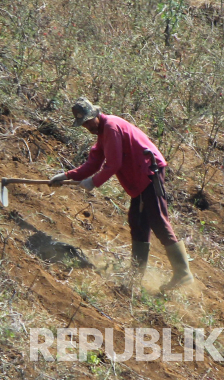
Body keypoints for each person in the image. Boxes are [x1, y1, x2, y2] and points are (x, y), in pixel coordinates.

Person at [50, 97, 193, 292]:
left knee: (158, 220)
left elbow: (113, 164)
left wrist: (93, 182)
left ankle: (182, 273)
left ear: (96, 115)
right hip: (139, 179)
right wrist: (66, 176)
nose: (87, 126)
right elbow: (93, 163)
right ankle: (135, 278)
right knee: (138, 223)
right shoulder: (103, 134)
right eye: (83, 124)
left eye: (89, 121)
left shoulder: (111, 127)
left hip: (149, 173)